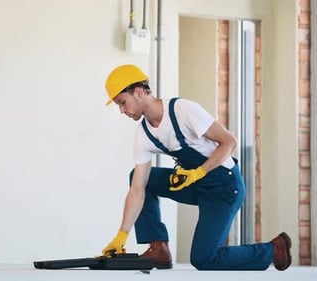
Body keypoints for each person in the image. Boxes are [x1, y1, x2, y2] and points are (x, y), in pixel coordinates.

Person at [100, 64, 292, 271]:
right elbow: (138, 188)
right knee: (141, 178)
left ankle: (272, 249)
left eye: (122, 102)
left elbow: (230, 142)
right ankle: (159, 248)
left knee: (204, 258)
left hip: (224, 187)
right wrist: (122, 235)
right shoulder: (143, 134)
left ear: (138, 92)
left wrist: (199, 172)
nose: (121, 110)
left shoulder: (183, 110)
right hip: (194, 184)